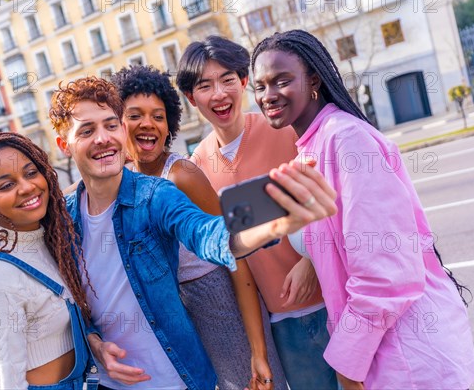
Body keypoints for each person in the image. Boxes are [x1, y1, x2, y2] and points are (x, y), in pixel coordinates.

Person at [49, 76, 337, 389]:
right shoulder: (64, 216)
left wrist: (268, 218)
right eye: (87, 131)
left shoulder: (156, 195)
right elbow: (73, 300)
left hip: (178, 377)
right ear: (65, 145)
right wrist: (93, 341)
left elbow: (207, 234)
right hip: (110, 383)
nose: (103, 138)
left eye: (110, 125)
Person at [251, 29, 474, 389]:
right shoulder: (313, 145)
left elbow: (384, 274)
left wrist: (347, 365)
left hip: (406, 357)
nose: (269, 95)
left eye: (281, 80)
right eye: (260, 86)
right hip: (384, 353)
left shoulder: (346, 139)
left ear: (313, 79)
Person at [176, 35, 338, 389]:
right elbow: (230, 250)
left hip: (332, 300)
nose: (219, 94)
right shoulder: (196, 167)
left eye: (227, 80)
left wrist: (311, 259)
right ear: (191, 98)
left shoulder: (282, 128)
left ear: (244, 82)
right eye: (205, 86)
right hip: (280, 321)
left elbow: (332, 198)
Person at [111, 64, 287, 389]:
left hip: (223, 309)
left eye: (158, 116)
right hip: (178, 317)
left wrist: (257, 352)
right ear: (117, 123)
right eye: (135, 115)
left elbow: (237, 259)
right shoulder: (121, 180)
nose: (148, 124)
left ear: (169, 125)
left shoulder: (181, 176)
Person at [0, 133, 94, 389]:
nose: (27, 187)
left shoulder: (47, 240)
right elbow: (3, 383)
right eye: (6, 185)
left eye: (31, 173)